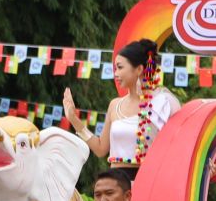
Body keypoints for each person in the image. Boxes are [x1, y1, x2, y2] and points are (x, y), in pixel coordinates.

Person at [63, 38, 180, 166]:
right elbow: (101, 149)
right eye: (115, 68)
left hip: (146, 181)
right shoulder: (115, 105)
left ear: (139, 69)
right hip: (116, 181)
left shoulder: (161, 103)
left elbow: (175, 146)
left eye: (120, 67)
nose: (116, 74)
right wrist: (74, 119)